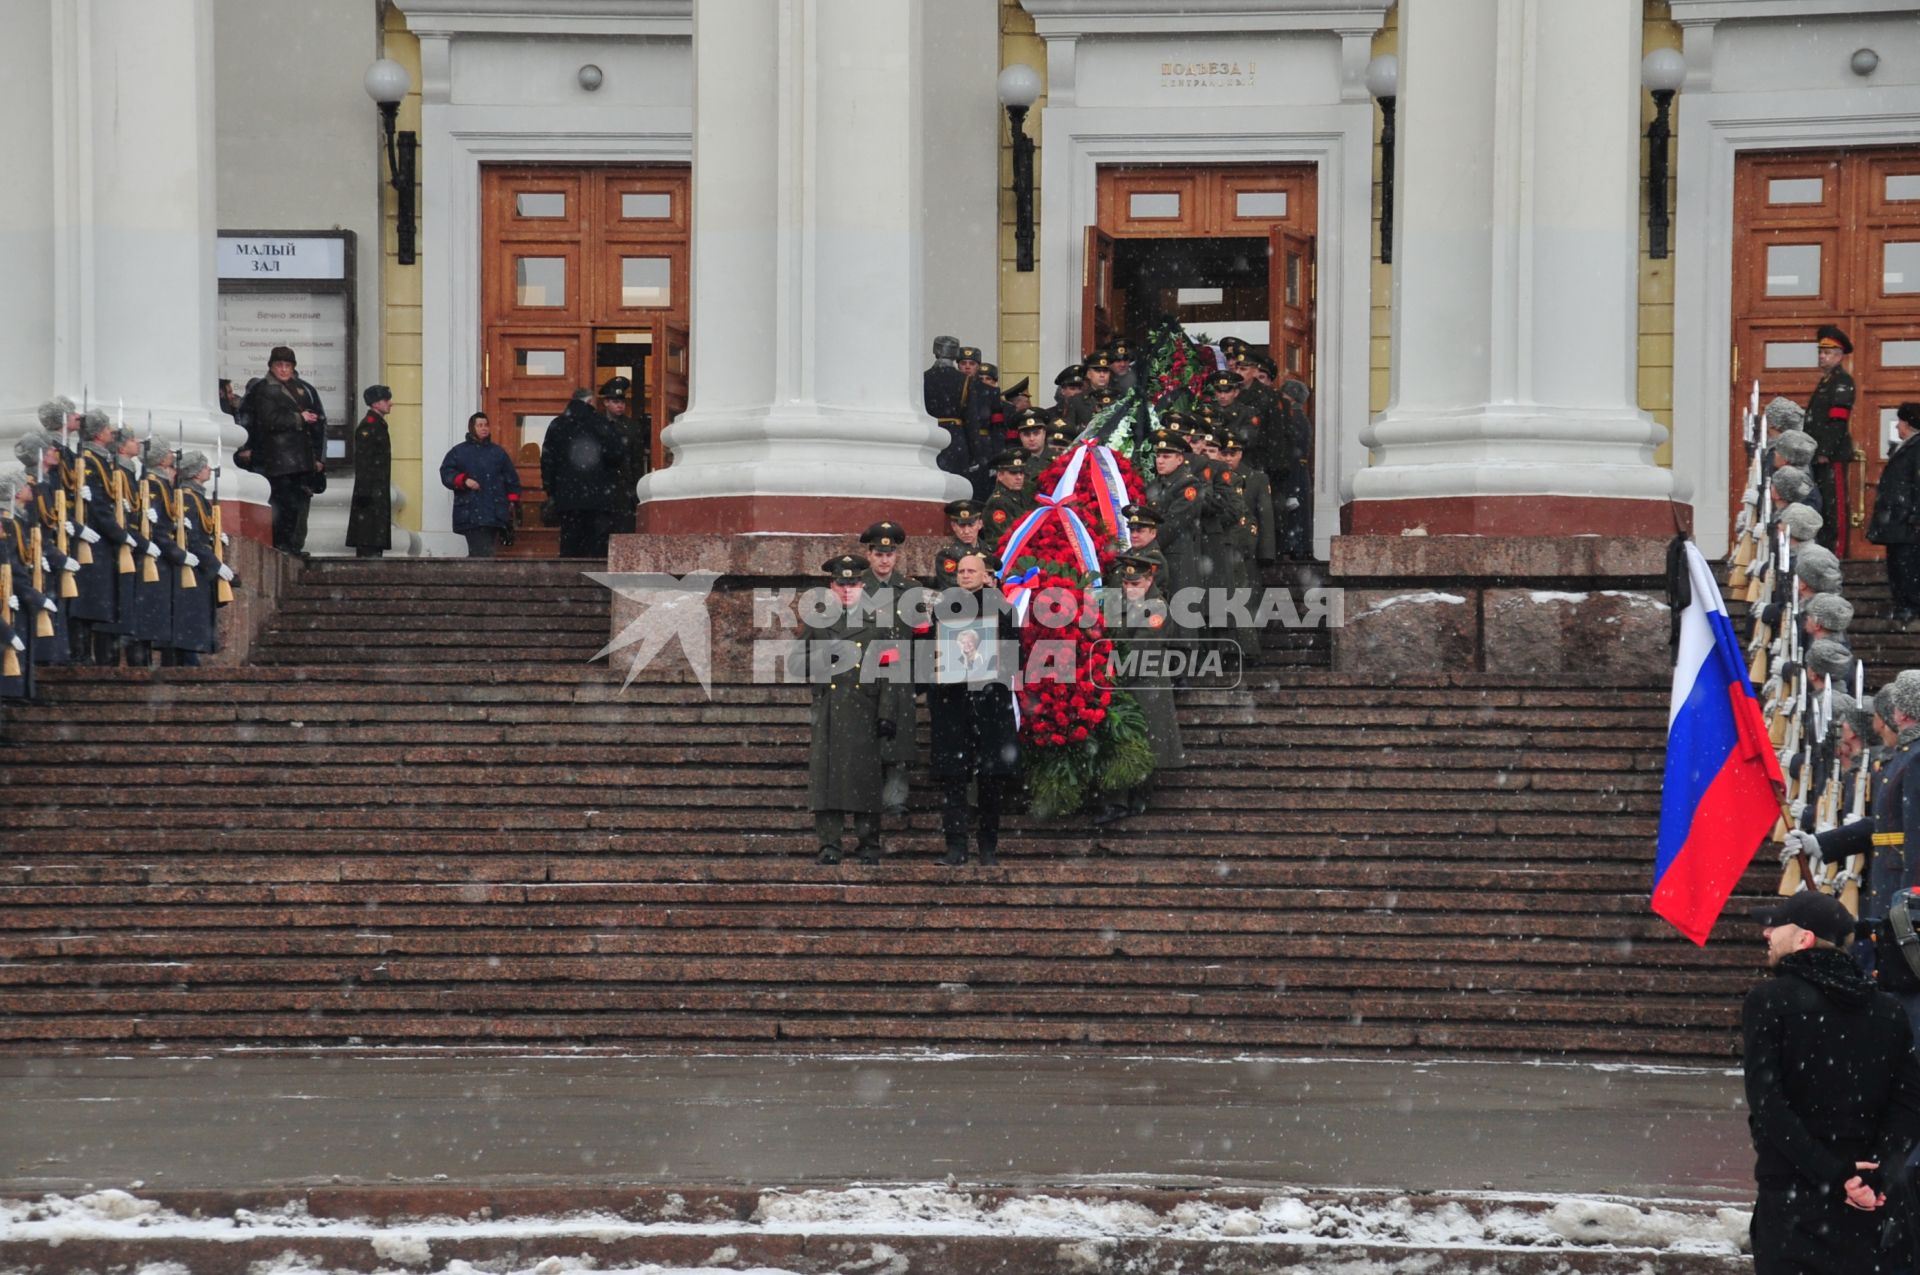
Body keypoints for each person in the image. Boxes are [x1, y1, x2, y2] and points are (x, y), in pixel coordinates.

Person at [1743, 889, 1920, 1274]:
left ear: (1804, 939)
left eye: (1775, 926)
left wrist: (1835, 1175)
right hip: (1870, 1207)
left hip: (1794, 1201)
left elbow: (1769, 1105)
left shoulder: (1769, 1002)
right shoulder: (1887, 1010)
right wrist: (1874, 1171)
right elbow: (1908, 1103)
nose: (1766, 933)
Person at [928, 550, 1019, 866]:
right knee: (954, 781)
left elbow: (1013, 654)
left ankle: (987, 847)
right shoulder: (944, 608)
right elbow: (931, 651)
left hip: (990, 705)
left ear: (985, 575)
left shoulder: (1002, 609)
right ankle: (955, 847)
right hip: (953, 706)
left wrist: (989, 667)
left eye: (971, 571)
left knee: (990, 781)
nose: (965, 575)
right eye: (961, 571)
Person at [803, 553, 890, 865]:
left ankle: (868, 843)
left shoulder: (877, 623)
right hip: (829, 708)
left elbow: (891, 673)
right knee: (827, 779)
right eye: (842, 584)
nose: (847, 590)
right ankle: (830, 844)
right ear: (832, 586)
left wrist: (887, 713)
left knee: (865, 779)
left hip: (864, 707)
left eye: (853, 584)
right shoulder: (819, 621)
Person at [1093, 555, 1185, 825]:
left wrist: (1110, 671)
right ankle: (1120, 800)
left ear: (1149, 581)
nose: (1129, 587)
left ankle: (1132, 799)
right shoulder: (1118, 604)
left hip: (1145, 683)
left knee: (1143, 740)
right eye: (1125, 582)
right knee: (1126, 741)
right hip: (1122, 682)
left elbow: (1142, 647)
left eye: (1136, 583)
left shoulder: (1157, 608)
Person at [238, 346, 327, 555]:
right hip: (276, 459)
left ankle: (290, 546)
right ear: (271, 366)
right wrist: (299, 418)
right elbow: (267, 420)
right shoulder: (263, 389)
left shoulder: (303, 389)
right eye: (279, 365)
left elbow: (319, 422)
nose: (284, 370)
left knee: (294, 506)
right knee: (281, 505)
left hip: (298, 460)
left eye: (288, 365)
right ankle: (282, 546)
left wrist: (317, 456)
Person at [860, 521, 917, 820]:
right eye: (879, 553)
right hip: (865, 672)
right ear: (868, 555)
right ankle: (867, 794)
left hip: (900, 673)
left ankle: (895, 797)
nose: (885, 559)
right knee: (867, 735)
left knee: (900, 737)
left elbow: (923, 634)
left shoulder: (911, 589)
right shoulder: (854, 589)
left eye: (890, 553)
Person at [540, 388, 628, 559]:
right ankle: (593, 583)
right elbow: (616, 454)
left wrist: (552, 490)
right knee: (595, 550)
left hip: (567, 499)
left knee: (570, 546)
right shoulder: (601, 423)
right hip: (597, 498)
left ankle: (568, 581)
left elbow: (547, 461)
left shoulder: (557, 424)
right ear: (589, 402)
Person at [1804, 325, 1859, 555]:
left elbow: (1838, 421)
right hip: (1818, 455)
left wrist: (1825, 450)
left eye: (1826, 353)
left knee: (1834, 506)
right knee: (1823, 506)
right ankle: (1825, 548)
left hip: (1831, 455)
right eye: (1820, 352)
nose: (1821, 356)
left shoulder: (1842, 382)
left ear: (1839, 355)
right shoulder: (1827, 382)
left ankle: (1838, 553)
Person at [441, 412, 522, 558]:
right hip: (470, 511)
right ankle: (479, 578)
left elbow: (511, 479)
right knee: (482, 553)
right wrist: (464, 481)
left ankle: (476, 578)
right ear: (472, 428)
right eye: (480, 425)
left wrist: (512, 503)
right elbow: (446, 473)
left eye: (486, 425)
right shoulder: (459, 452)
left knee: (482, 553)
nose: (484, 428)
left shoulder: (498, 453)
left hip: (493, 512)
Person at [1870, 403, 1920, 623]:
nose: (1898, 426)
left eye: (1900, 421)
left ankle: (1910, 606)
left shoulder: (1917, 448)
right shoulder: (1906, 447)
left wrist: (1915, 514)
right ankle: (1902, 604)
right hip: (1897, 521)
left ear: (1908, 424)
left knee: (1907, 565)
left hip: (1907, 521)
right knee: (1897, 564)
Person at [347, 385, 394, 559]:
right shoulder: (369, 426)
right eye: (386, 400)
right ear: (375, 403)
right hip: (371, 491)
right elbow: (364, 461)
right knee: (369, 536)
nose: (390, 403)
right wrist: (366, 491)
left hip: (375, 489)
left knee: (373, 536)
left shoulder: (377, 425)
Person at [600, 377, 648, 535]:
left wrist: (636, 487)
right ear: (606, 402)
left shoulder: (632, 427)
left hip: (624, 486)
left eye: (622, 401)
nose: (620, 405)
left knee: (624, 529)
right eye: (615, 401)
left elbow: (637, 460)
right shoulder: (597, 424)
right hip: (601, 486)